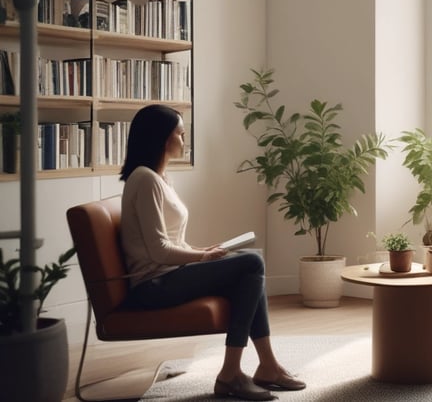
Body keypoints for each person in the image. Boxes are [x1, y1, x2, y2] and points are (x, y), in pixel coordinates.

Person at [119, 104, 305, 401]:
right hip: (152, 285)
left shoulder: (160, 178)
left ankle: (261, 367)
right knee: (252, 262)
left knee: (249, 264)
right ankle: (235, 373)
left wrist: (203, 250)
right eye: (180, 133)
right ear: (162, 139)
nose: (184, 139)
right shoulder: (144, 180)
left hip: (169, 275)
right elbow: (158, 251)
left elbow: (170, 240)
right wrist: (202, 258)